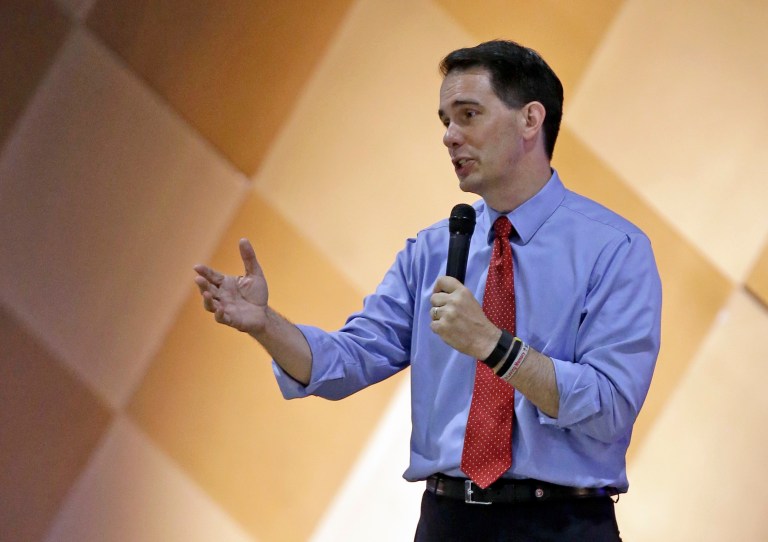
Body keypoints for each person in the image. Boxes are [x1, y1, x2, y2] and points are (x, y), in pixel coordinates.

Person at [194, 40, 661, 542]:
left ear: (530, 120)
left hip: (563, 523)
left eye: (468, 115)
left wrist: (495, 347)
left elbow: (609, 408)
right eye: (445, 121)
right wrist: (267, 325)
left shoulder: (615, 249)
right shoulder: (432, 250)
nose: (449, 137)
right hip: (448, 520)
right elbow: (346, 361)